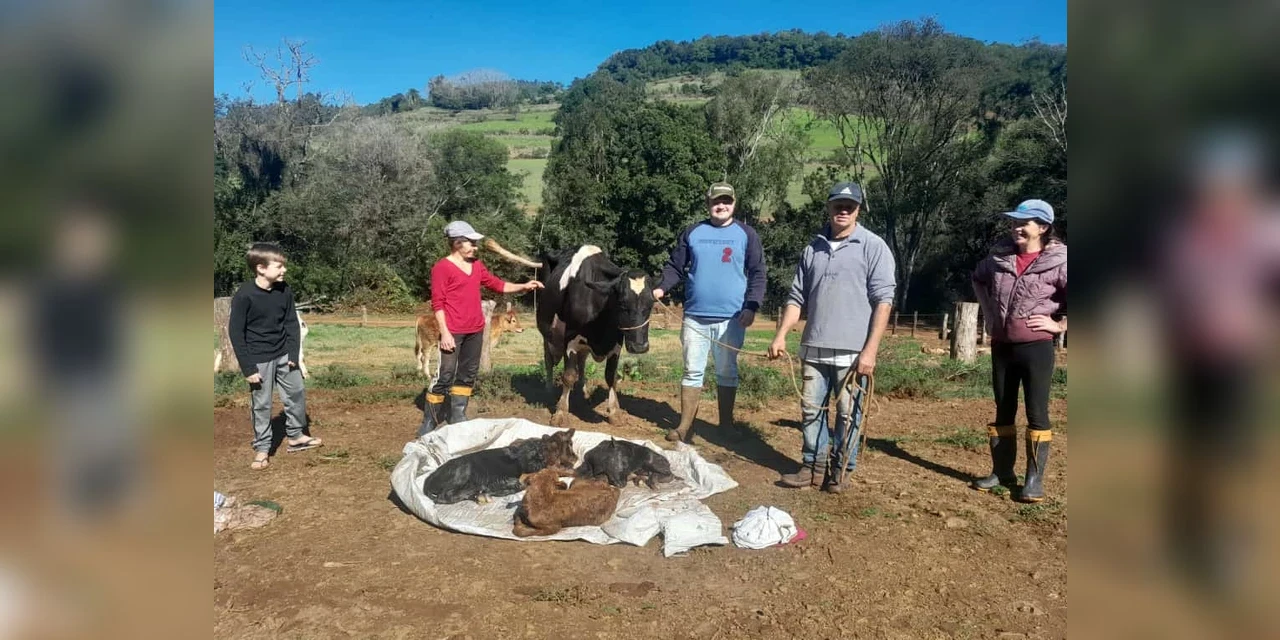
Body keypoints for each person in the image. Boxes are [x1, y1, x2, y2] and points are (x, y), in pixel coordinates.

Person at [768, 182, 895, 493]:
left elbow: (884, 300)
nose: (843, 210)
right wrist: (781, 335)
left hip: (853, 350)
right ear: (828, 207)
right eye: (838, 204)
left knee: (848, 414)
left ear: (858, 210)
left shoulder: (873, 246)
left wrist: (870, 351)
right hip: (813, 346)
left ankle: (840, 469)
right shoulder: (813, 247)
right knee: (810, 409)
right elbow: (796, 297)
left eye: (849, 206)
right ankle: (812, 466)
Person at [653, 182, 766, 444]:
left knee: (727, 371)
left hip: (733, 319)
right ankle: (685, 427)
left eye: (726, 201)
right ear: (708, 204)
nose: (721, 205)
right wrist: (660, 288)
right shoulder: (693, 232)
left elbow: (758, 273)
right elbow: (675, 267)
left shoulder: (746, 234)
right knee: (692, 371)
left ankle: (726, 426)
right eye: (716, 201)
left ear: (734, 204)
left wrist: (752, 306)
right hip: (694, 318)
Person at [971, 199, 1067, 503]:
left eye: (1024, 222)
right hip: (1002, 347)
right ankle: (1002, 472)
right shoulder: (998, 259)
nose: (1016, 227)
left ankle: (1033, 481)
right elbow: (977, 278)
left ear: (1042, 227)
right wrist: (989, 316)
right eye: (1014, 222)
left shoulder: (1060, 261)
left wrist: (1060, 325)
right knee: (1003, 409)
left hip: (1036, 348)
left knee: (1037, 412)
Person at [417, 221, 542, 436]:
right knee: (445, 375)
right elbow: (437, 303)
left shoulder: (477, 265)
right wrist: (445, 333)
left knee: (467, 374)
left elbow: (498, 285)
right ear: (457, 243)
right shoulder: (442, 268)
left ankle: (458, 416)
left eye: (475, 242)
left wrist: (523, 286)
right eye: (471, 242)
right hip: (452, 331)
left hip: (475, 330)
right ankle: (430, 420)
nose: (475, 246)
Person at [228, 242, 322, 470]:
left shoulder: (284, 290)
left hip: (283, 354)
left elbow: (291, 323)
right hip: (258, 359)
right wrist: (248, 368)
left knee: (296, 392)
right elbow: (235, 333)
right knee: (262, 404)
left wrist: (293, 353)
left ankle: (296, 436)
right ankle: (262, 448)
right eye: (279, 266)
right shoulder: (245, 295)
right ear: (261, 268)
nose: (284, 270)